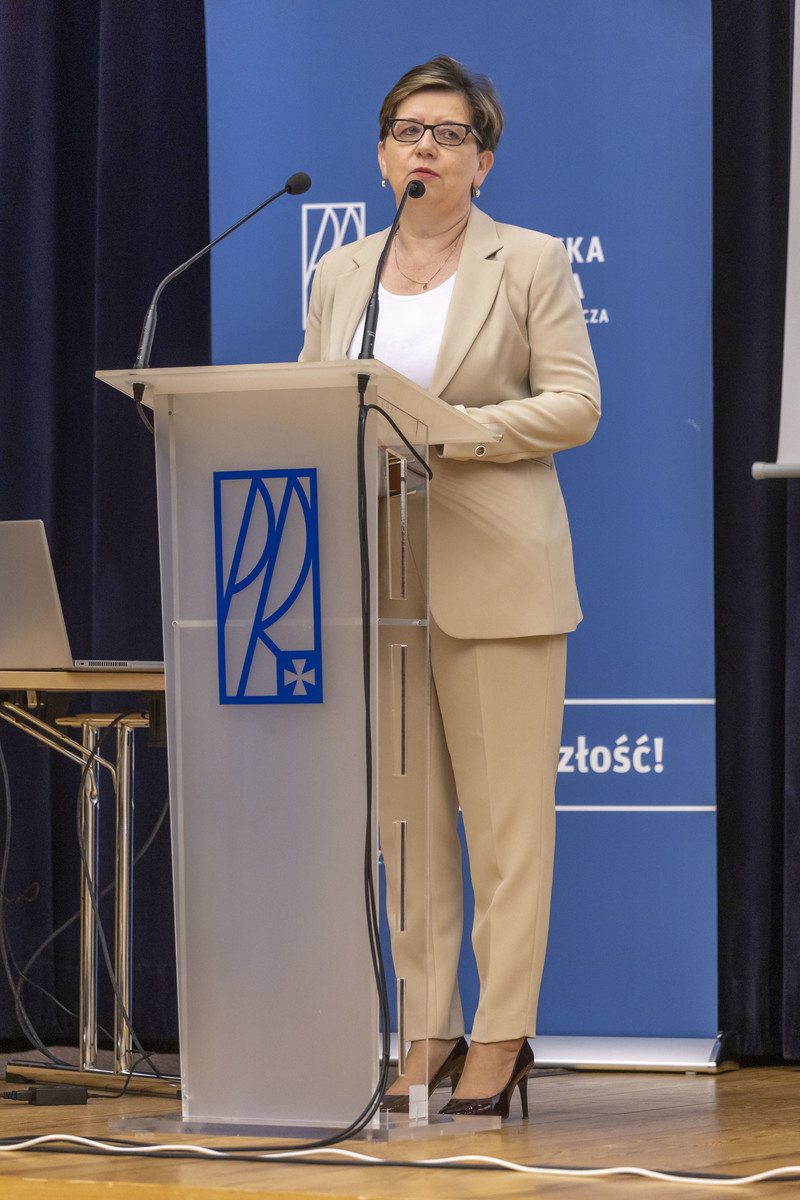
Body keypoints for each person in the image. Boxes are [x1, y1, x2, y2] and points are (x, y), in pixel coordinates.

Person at [300, 55, 600, 1118]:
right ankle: (425, 1026)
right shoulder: (340, 273)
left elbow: (574, 404)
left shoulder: (529, 261)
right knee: (407, 828)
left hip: (498, 572)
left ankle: (501, 1034)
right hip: (379, 579)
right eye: (406, 130)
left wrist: (454, 430)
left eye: (448, 132)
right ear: (382, 156)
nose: (424, 146)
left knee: (505, 829)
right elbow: (317, 400)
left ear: (483, 160)